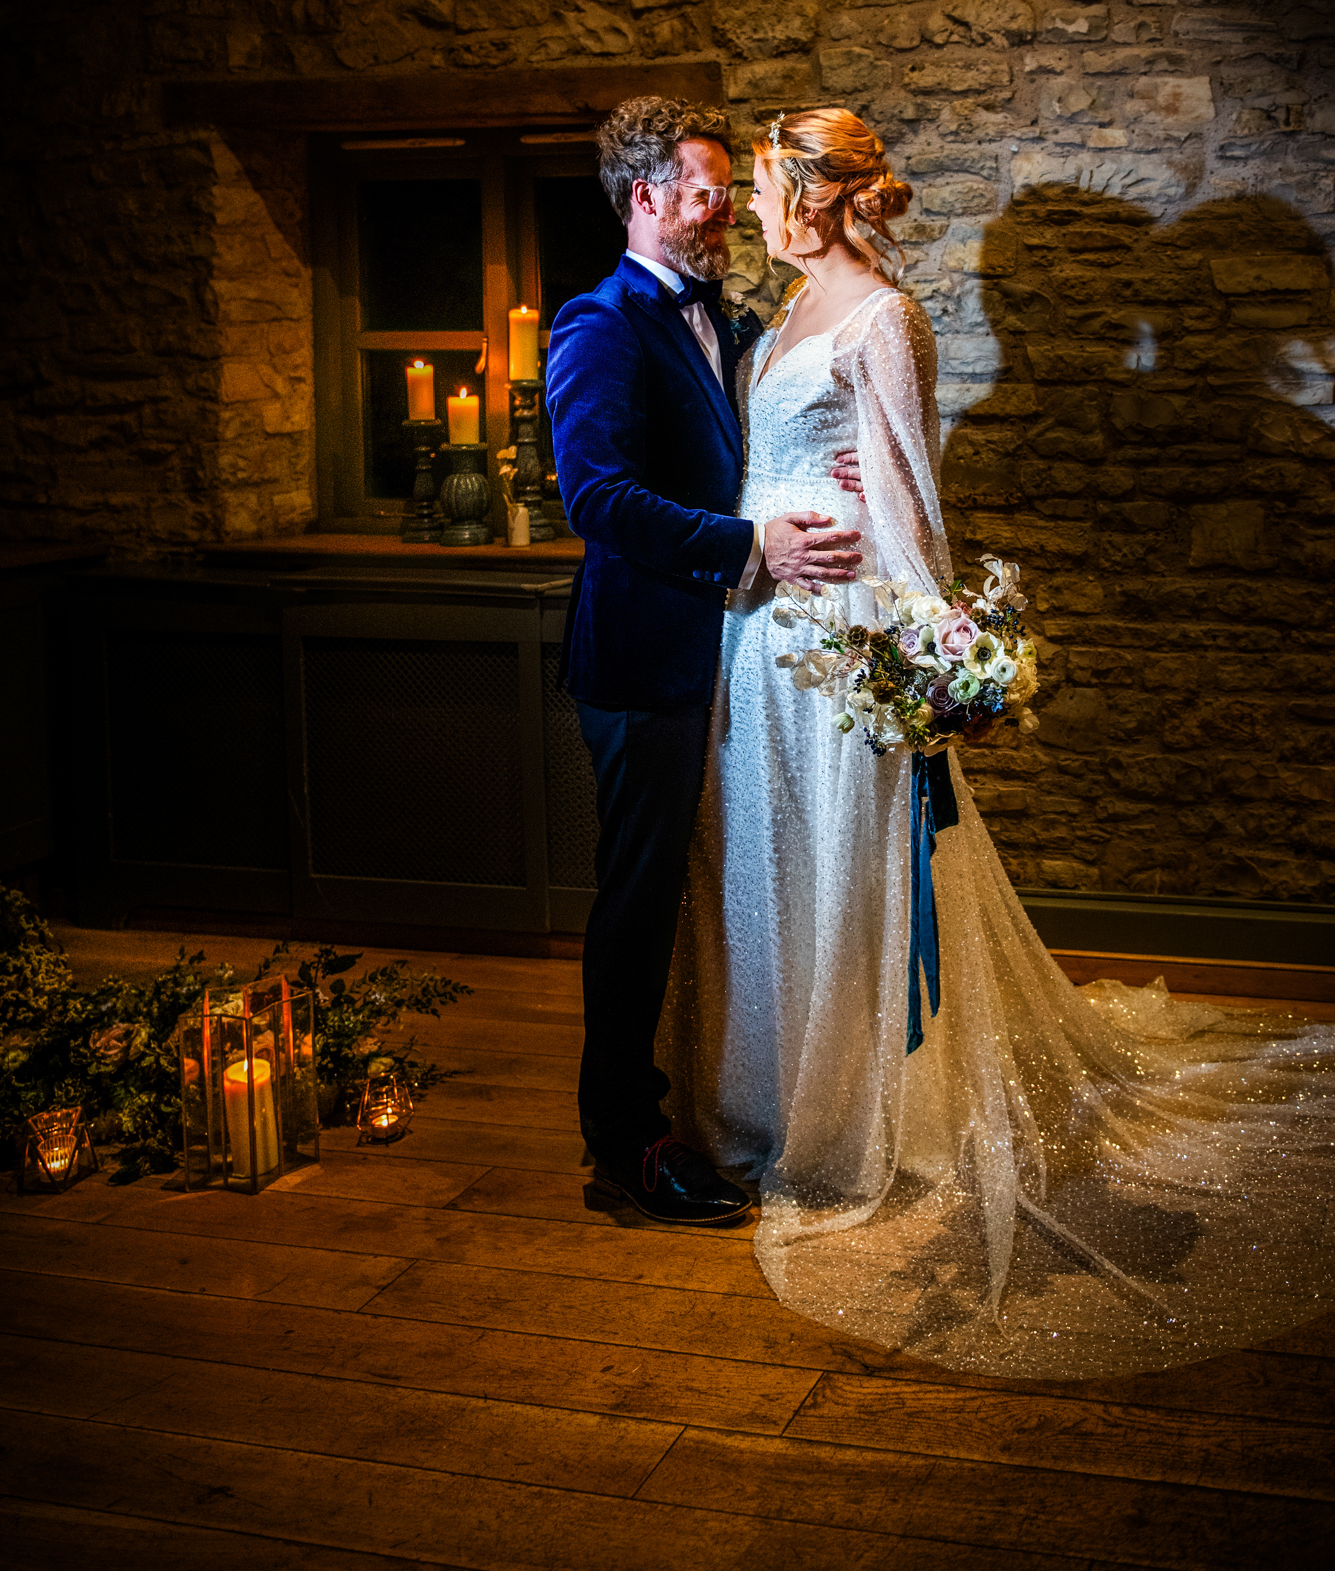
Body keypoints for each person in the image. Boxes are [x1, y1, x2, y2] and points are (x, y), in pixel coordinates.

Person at [661, 106, 1335, 1379]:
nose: (751, 206)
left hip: (843, 634)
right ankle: (766, 1093)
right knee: (761, 861)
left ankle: (855, 1115)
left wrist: (934, 654)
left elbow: (913, 499)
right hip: (758, 629)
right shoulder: (786, 313)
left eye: (764, 184)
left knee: (849, 868)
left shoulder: (885, 318)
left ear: (817, 192)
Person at [545, 95, 866, 1224]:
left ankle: (718, 1097)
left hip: (732, 658)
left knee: (710, 896)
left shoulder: (728, 321)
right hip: (645, 663)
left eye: (731, 193)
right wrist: (749, 545)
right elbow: (597, 498)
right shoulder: (598, 323)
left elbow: (757, 452)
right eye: (704, 192)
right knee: (639, 905)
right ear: (644, 198)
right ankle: (625, 1144)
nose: (725, 209)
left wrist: (836, 473)